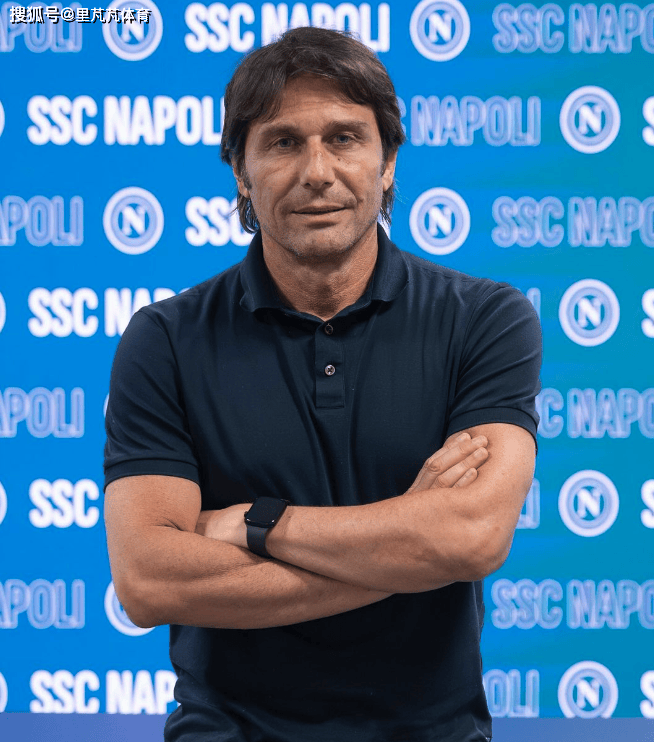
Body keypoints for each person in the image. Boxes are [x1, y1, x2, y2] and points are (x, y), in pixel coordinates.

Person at [104, 26, 541, 742]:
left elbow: (470, 536)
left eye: (345, 138)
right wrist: (408, 547)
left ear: (388, 161)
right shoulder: (166, 339)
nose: (317, 171)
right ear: (240, 171)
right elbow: (150, 581)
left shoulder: (484, 319)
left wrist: (257, 523)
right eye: (283, 142)